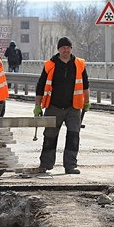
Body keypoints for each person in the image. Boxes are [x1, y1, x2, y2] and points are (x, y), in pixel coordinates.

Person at [33, 37, 90, 175]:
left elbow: (86, 85)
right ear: (58, 49)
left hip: (74, 107)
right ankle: (45, 164)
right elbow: (40, 87)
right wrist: (37, 105)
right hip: (54, 106)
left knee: (73, 136)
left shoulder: (79, 64)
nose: (66, 50)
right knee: (50, 136)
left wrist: (86, 102)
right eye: (63, 47)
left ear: (71, 49)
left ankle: (70, 165)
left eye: (68, 47)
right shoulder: (50, 65)